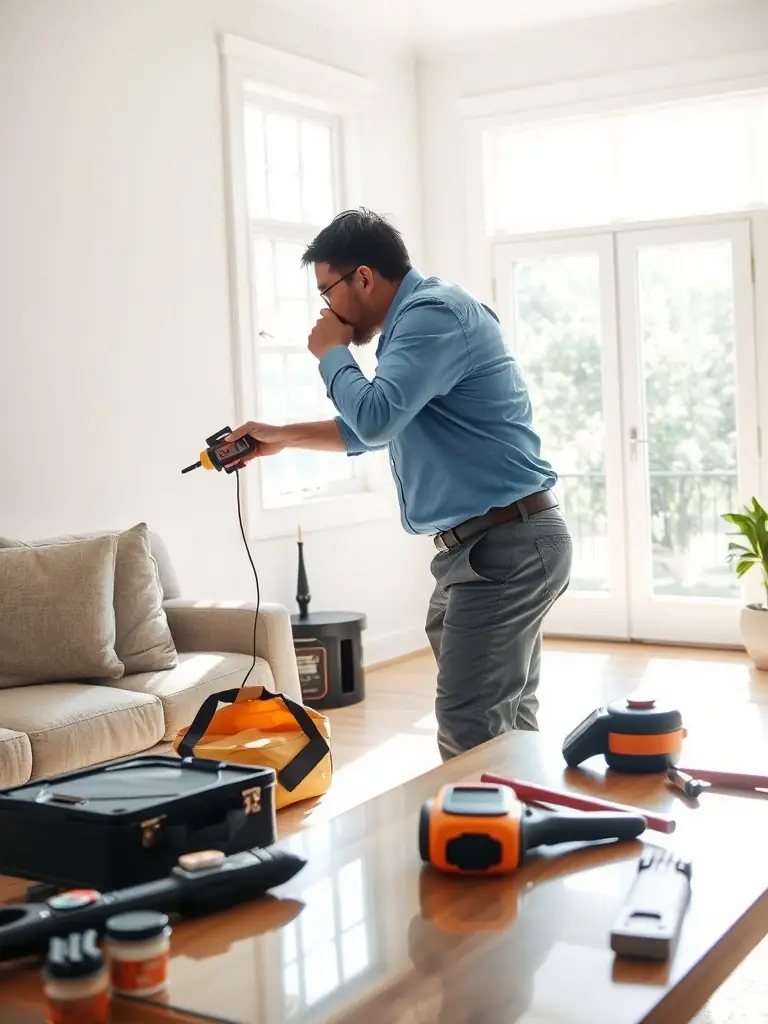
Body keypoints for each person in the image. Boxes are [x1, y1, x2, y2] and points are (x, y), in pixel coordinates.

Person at [227, 208, 572, 760]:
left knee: (471, 724)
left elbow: (376, 418)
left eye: (327, 291)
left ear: (363, 277)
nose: (326, 309)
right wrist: (283, 436)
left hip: (505, 543)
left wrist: (330, 353)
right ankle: (520, 829)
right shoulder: (424, 318)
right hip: (500, 539)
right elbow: (374, 428)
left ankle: (476, 841)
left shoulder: (431, 315)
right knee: (504, 720)